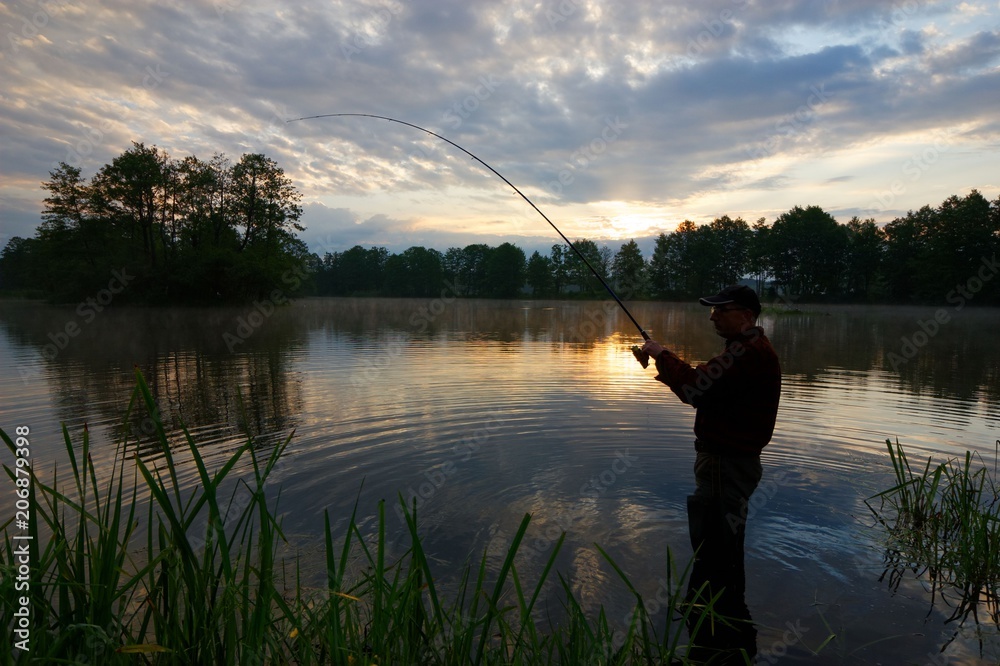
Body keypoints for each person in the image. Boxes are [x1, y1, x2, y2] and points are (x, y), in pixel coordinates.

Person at [640, 284, 781, 662]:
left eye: (722, 309)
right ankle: (726, 625)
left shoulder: (746, 353)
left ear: (747, 316)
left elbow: (696, 387)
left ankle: (713, 634)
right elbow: (704, 387)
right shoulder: (747, 350)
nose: (713, 316)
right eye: (711, 310)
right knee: (724, 545)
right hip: (732, 463)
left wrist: (661, 354)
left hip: (724, 463)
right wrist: (667, 362)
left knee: (713, 547)